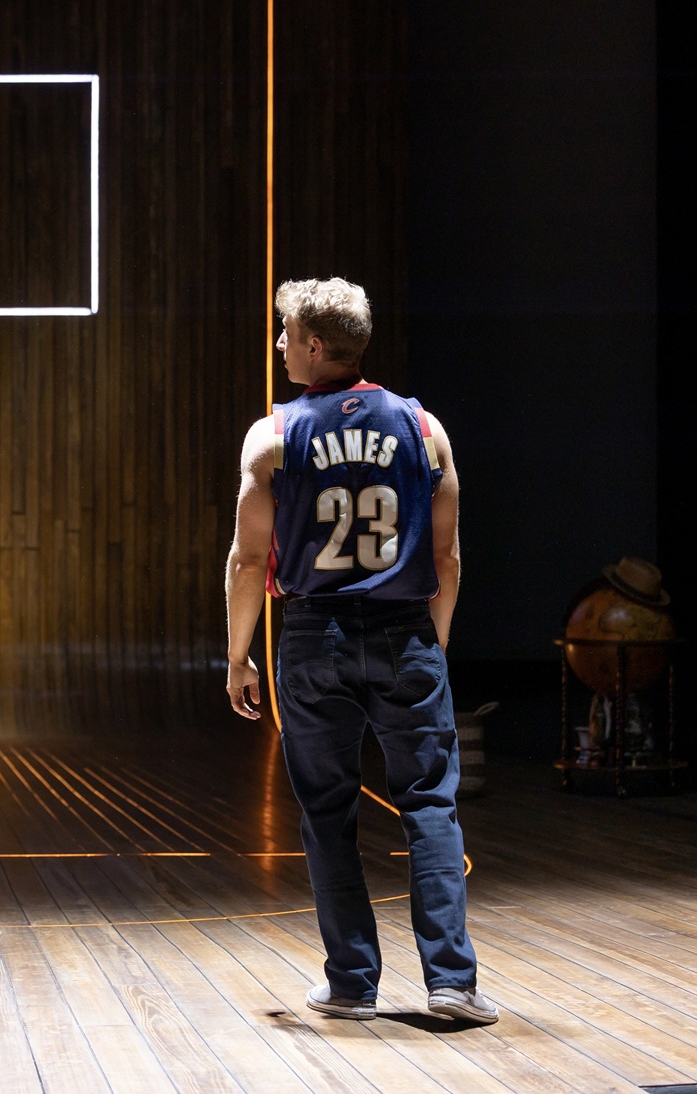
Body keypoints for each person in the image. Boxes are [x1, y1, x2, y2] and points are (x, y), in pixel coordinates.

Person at [223, 277, 498, 1024]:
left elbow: (249, 561)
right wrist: (428, 648)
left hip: (314, 637)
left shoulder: (273, 435)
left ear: (315, 345)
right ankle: (451, 983)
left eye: (285, 333)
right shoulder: (423, 428)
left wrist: (237, 655)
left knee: (326, 812)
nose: (279, 345)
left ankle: (351, 982)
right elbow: (448, 560)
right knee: (430, 809)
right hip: (405, 630)